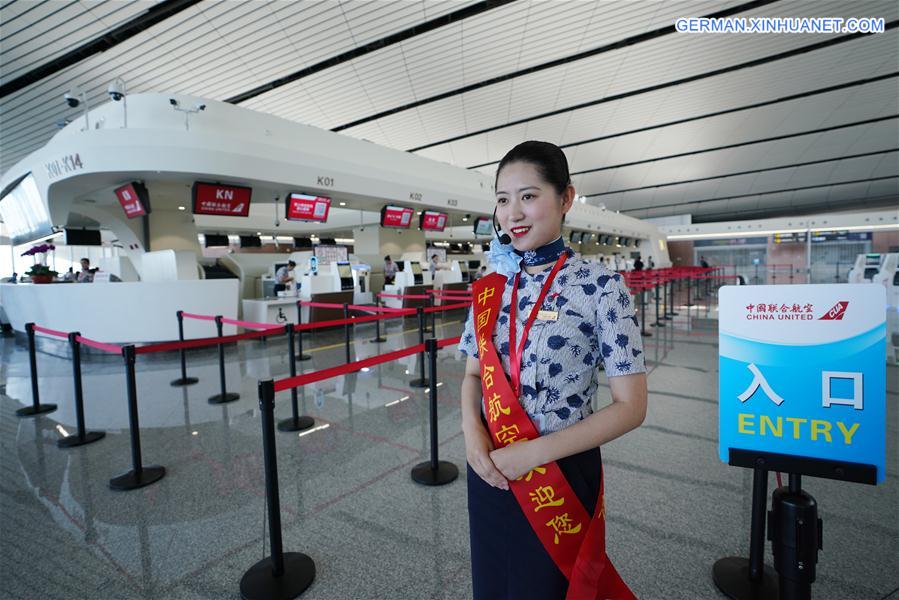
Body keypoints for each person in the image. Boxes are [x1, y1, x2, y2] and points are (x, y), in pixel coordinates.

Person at [459, 141, 647, 599]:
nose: (512, 213)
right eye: (503, 199)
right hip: (489, 466)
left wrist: (531, 454)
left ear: (566, 198)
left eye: (528, 195)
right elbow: (470, 375)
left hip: (559, 471)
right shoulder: (492, 287)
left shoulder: (602, 288)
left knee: (550, 587)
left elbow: (631, 407)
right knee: (493, 583)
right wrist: (471, 433)